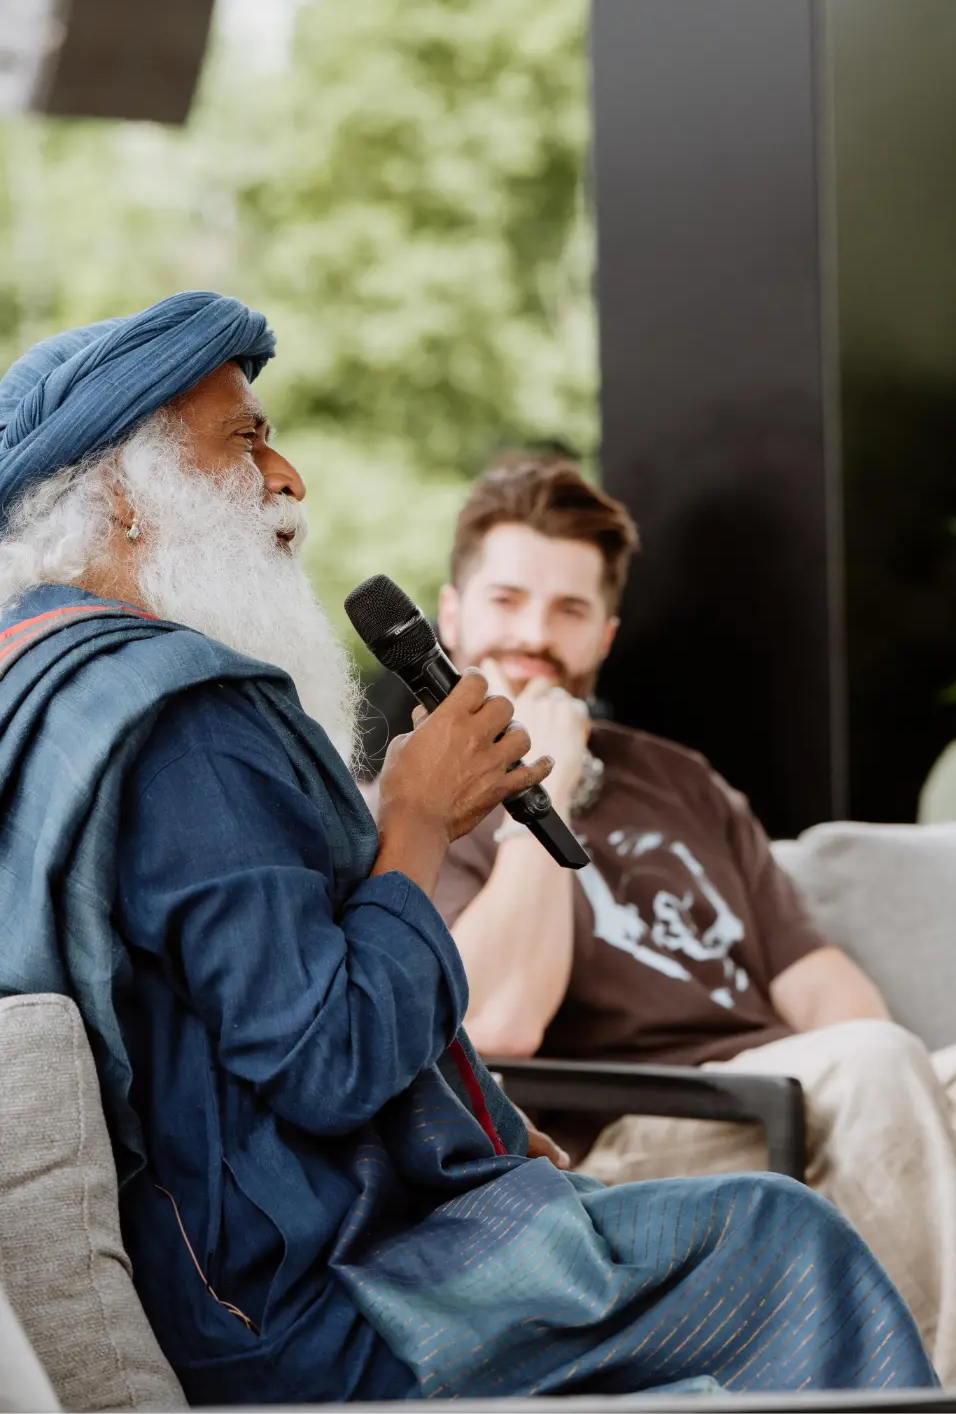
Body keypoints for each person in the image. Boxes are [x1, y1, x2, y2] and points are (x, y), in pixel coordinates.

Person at [0, 295, 937, 1406]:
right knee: (779, 1240)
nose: (287, 478)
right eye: (245, 440)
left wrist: (477, 1114)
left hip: (244, 1281)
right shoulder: (186, 721)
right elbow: (328, 1061)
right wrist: (418, 816)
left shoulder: (48, 694)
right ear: (124, 494)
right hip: (332, 1303)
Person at [429, 449, 956, 1385]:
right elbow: (497, 1022)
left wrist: (890, 1080)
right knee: (875, 1065)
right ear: (453, 613)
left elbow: (826, 991)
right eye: (507, 602)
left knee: (895, 1060)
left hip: (791, 1089)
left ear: (605, 634)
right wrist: (543, 788)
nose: (535, 635)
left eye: (569, 610)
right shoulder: (420, 802)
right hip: (637, 1123)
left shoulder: (681, 781)